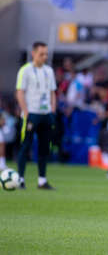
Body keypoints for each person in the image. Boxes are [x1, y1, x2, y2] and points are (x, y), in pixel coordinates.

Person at [16, 42, 57, 189]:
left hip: (46, 114)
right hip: (31, 114)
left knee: (44, 147)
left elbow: (52, 92)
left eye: (46, 54)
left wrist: (52, 110)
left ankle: (42, 180)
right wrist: (25, 111)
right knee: (25, 146)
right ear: (33, 53)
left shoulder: (49, 71)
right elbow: (20, 92)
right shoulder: (25, 70)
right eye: (41, 54)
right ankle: (20, 179)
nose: (44, 57)